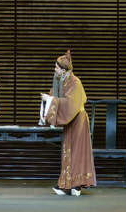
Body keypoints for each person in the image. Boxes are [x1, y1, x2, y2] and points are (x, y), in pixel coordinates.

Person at [40, 49, 96, 196]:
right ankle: (66, 184)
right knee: (68, 151)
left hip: (78, 121)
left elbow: (70, 104)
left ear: (63, 70)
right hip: (71, 121)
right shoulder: (63, 81)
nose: (55, 70)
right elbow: (59, 98)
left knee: (77, 152)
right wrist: (50, 99)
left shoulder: (75, 82)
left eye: (56, 67)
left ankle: (76, 185)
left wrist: (50, 100)